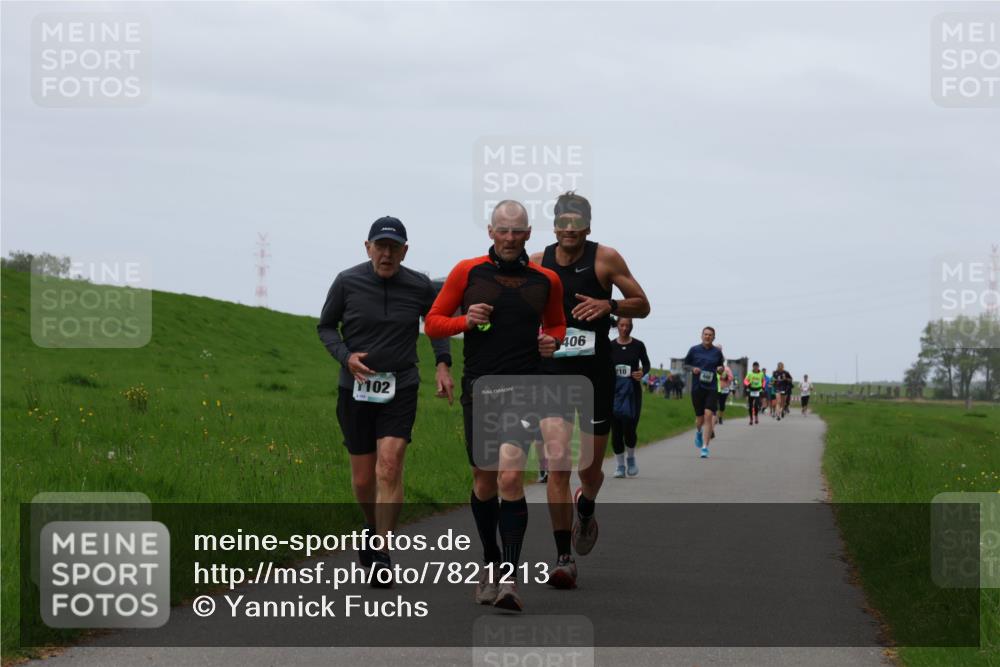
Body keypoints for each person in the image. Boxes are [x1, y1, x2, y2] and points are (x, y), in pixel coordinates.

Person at [424, 200, 565, 612]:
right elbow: (433, 321)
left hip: (525, 386)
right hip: (481, 389)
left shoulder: (546, 280)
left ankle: (508, 578)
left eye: (517, 230)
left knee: (509, 479)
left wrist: (551, 341)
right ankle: (489, 561)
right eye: (502, 230)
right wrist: (464, 322)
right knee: (484, 482)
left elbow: (556, 324)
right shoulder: (467, 272)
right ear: (490, 232)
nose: (509, 237)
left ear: (528, 234)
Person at [317, 216, 455, 586]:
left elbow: (437, 323)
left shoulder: (419, 286)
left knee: (389, 466)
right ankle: (370, 524)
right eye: (380, 246)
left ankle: (381, 550)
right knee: (364, 479)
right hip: (355, 388)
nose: (387, 254)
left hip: (401, 385)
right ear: (368, 248)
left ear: (405, 251)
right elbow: (325, 327)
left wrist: (443, 364)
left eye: (394, 247)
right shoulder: (347, 282)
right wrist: (345, 356)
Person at [530, 191, 650, 590]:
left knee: (589, 471)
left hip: (595, 377)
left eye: (576, 222)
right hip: (553, 375)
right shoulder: (536, 263)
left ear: (587, 226)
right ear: (554, 225)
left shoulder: (605, 259)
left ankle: (587, 505)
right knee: (559, 461)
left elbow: (642, 304)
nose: (568, 229)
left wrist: (609, 307)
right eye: (562, 221)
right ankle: (563, 557)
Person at [610, 316, 650, 478]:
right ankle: (620, 465)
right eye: (622, 325)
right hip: (614, 393)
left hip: (633, 393)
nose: (625, 328)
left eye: (628, 325)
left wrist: (642, 372)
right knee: (616, 431)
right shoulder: (610, 346)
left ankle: (631, 458)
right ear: (617, 326)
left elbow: (646, 364)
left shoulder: (638, 345)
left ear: (632, 327)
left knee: (630, 428)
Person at [682, 326, 725, 458]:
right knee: (699, 418)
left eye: (710, 335)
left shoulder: (717, 352)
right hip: (697, 388)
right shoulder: (694, 350)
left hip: (711, 388)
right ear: (701, 336)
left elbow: (721, 366)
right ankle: (699, 432)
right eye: (705, 334)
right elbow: (685, 364)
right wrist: (693, 369)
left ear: (714, 337)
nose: (707, 336)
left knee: (708, 415)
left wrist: (719, 369)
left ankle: (705, 447)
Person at [715, 356, 734, 426]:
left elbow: (731, 378)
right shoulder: (714, 367)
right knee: (716, 404)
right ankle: (715, 418)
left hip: (724, 389)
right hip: (716, 388)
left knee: (722, 405)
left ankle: (720, 417)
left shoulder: (727, 369)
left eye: (721, 360)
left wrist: (726, 377)